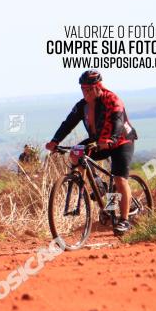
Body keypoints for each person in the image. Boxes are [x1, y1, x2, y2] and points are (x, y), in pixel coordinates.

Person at [45, 71, 138, 235]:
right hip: (98, 141)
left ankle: (124, 221)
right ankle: (98, 185)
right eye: (83, 89)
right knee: (75, 154)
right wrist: (55, 141)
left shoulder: (113, 100)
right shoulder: (82, 105)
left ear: (98, 87)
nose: (85, 93)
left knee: (118, 178)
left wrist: (111, 139)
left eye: (89, 89)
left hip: (121, 141)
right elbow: (68, 123)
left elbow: (117, 121)